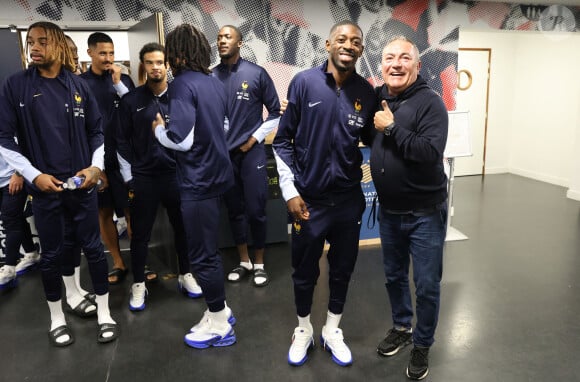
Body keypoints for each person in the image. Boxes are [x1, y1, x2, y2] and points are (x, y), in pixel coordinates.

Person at [0, 21, 118, 346]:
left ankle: (106, 314)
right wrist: (32, 175)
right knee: (50, 256)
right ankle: (57, 318)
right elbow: (4, 138)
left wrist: (95, 168)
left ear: (59, 45)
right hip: (44, 191)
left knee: (93, 251)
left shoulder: (80, 86)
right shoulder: (16, 86)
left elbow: (97, 132)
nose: (34, 48)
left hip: (82, 187)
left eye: (42, 42)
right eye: (30, 43)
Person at [272, 20, 376, 367]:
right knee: (304, 272)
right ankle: (303, 329)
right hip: (309, 201)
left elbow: (376, 141)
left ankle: (332, 329)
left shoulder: (366, 92)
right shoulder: (303, 83)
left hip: (347, 201)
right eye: (342, 39)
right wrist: (290, 190)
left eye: (356, 41)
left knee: (343, 269)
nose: (349, 45)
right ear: (329, 43)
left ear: (362, 49)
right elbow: (283, 140)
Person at [152, 23, 236, 349]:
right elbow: (224, 126)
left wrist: (160, 131)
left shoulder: (182, 85)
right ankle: (221, 310)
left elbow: (182, 140)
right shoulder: (213, 83)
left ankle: (219, 322)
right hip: (217, 177)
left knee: (202, 256)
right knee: (208, 251)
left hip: (198, 182)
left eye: (169, 52)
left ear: (178, 53)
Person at [369, 36, 448, 380]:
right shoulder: (377, 97)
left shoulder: (432, 103)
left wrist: (392, 129)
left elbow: (429, 153)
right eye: (389, 58)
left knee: (427, 285)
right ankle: (402, 327)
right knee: (394, 277)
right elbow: (366, 135)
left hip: (425, 213)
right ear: (381, 64)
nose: (396, 64)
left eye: (404, 58)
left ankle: (422, 344)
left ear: (417, 66)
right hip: (389, 211)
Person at [117, 42, 202, 311]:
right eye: (150, 62)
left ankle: (185, 274)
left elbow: (194, 135)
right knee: (140, 234)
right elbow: (120, 141)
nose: (156, 67)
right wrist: (130, 176)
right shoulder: (131, 100)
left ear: (168, 64)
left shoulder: (181, 96)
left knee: (183, 229)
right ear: (144, 66)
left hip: (176, 175)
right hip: (144, 178)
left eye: (160, 62)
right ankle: (139, 283)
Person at [213, 25, 281, 287]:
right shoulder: (211, 76)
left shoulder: (256, 73)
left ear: (240, 43)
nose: (222, 41)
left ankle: (260, 263)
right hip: (225, 156)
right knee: (235, 210)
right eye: (219, 38)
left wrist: (253, 139)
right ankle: (244, 261)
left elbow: (275, 112)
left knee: (256, 208)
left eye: (228, 37)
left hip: (252, 153)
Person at [80, 32, 137, 285]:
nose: (108, 58)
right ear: (90, 52)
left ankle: (139, 259)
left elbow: (137, 110)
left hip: (125, 155)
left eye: (111, 53)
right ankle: (118, 261)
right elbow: (79, 126)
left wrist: (117, 82)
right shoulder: (79, 83)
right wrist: (94, 165)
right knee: (104, 212)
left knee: (132, 211)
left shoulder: (123, 79)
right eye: (102, 53)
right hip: (98, 159)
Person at [0, 155, 39, 289]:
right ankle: (31, 254)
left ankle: (9, 270)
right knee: (17, 218)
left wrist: (19, 173)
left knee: (10, 221)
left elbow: (19, 146)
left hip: (12, 178)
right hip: (2, 180)